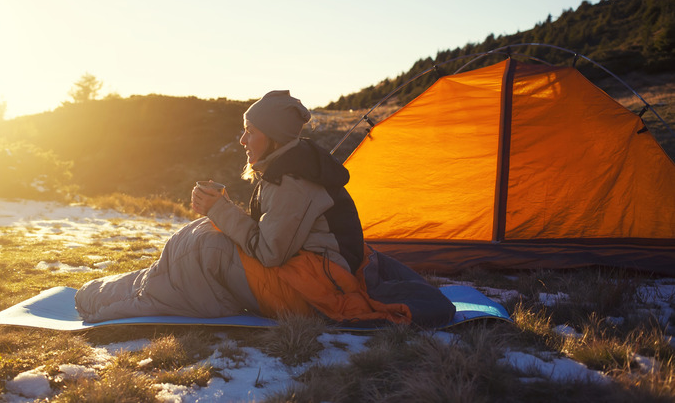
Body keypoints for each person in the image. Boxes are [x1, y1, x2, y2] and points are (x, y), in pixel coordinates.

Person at [75, 90, 455, 327]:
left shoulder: (294, 181)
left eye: (250, 131)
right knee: (199, 242)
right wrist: (222, 210)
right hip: (307, 269)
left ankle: (107, 302)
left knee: (204, 249)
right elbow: (274, 231)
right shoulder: (285, 167)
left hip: (310, 289)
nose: (242, 139)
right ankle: (115, 291)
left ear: (272, 138)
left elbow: (271, 253)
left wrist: (221, 210)